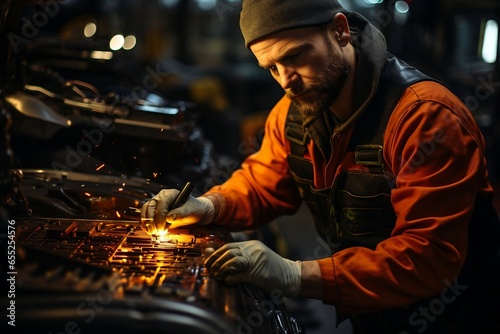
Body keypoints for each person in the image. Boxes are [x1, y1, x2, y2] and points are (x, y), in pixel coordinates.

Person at [142, 0, 500, 332]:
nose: (285, 81)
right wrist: (207, 205)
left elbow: (426, 257)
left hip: (457, 315)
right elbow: (263, 182)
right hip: (374, 312)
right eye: (271, 68)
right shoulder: (293, 110)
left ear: (340, 31)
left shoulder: (426, 118)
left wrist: (295, 275)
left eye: (296, 57)